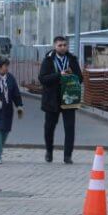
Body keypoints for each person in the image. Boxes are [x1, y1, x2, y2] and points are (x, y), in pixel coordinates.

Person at [38, 36, 83, 164]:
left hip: (69, 98)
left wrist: (71, 75)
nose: (63, 47)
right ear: (55, 46)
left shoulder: (72, 59)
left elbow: (80, 78)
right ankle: (49, 151)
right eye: (60, 45)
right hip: (52, 99)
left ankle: (67, 155)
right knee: (49, 128)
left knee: (69, 128)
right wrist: (59, 75)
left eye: (64, 45)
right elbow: (42, 78)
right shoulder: (48, 60)